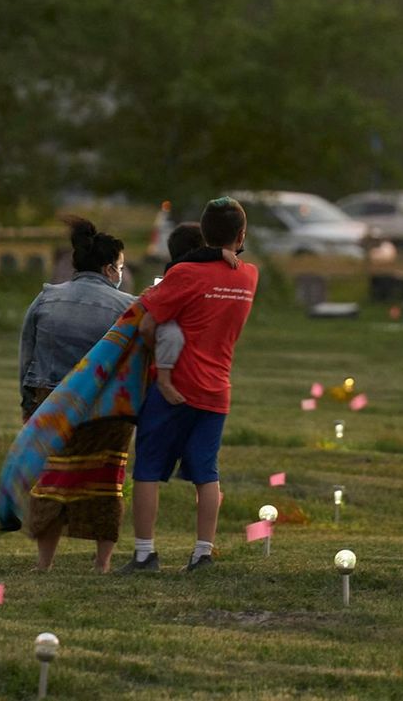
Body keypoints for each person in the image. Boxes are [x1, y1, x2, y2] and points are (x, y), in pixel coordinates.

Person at [119, 197, 258, 574]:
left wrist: (155, 356)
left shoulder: (186, 275)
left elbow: (148, 323)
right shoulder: (249, 276)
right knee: (206, 473)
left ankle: (145, 554)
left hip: (173, 387)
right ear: (241, 235)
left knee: (147, 469)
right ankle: (202, 553)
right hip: (217, 389)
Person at [18, 217, 135, 573]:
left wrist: (28, 405)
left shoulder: (46, 297)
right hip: (104, 410)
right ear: (108, 268)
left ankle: (44, 562)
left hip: (50, 402)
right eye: (120, 266)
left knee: (52, 479)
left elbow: (28, 353)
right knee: (105, 482)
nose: (121, 272)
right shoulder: (126, 306)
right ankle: (102, 563)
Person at [154, 222, 240, 405]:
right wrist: (218, 253)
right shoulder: (179, 267)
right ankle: (164, 379)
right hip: (168, 325)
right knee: (172, 335)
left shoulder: (187, 269)